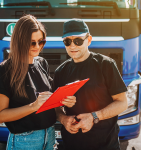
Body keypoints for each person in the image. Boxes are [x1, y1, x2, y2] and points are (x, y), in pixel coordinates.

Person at [0, 15, 76, 150]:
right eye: (32, 42)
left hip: (50, 135)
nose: (37, 47)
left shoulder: (42, 63)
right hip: (24, 140)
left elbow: (49, 100)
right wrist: (33, 106)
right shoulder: (5, 70)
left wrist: (63, 100)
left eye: (41, 42)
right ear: (20, 42)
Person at [53, 18, 128, 150]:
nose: (72, 46)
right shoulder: (61, 71)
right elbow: (55, 108)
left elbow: (122, 103)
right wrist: (63, 119)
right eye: (67, 41)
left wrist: (94, 117)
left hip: (105, 145)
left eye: (78, 40)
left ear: (89, 40)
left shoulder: (106, 65)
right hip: (71, 144)